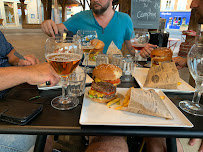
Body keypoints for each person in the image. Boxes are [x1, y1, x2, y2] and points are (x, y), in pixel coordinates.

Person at [147, 0, 203, 151]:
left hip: (193, 131)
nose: (192, 5)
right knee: (153, 128)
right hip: (191, 108)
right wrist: (186, 61)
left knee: (156, 134)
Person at [0, 30, 60, 152]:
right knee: (42, 128)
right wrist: (28, 73)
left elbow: (10, 53)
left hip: (11, 96)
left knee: (50, 110)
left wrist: (21, 59)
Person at [41, 0, 156, 57]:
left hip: (112, 70)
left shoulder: (125, 19)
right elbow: (58, 30)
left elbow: (132, 49)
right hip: (85, 70)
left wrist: (142, 51)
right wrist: (49, 25)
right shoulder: (81, 16)